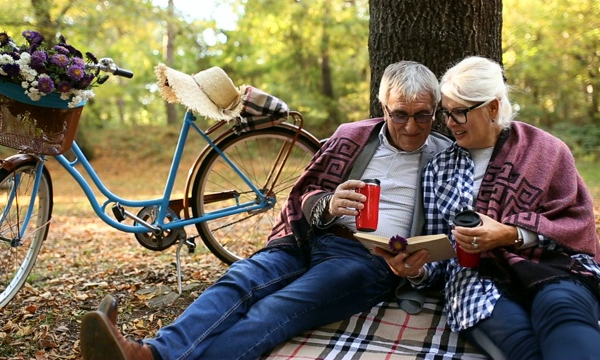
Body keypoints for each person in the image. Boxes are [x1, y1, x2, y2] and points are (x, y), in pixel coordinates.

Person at [79, 60, 452, 360]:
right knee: (240, 279)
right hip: (309, 240)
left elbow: (445, 237)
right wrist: (329, 204)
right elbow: (305, 194)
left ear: (436, 112)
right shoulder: (353, 135)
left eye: (423, 115)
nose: (411, 127)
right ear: (383, 106)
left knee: (274, 311)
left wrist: (416, 272)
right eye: (400, 114)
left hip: (367, 261)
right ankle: (152, 355)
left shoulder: (445, 159)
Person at [379, 56, 600, 359]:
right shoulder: (439, 169)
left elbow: (576, 224)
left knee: (565, 317)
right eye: (447, 113)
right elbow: (441, 253)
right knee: (523, 350)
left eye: (460, 113)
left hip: (553, 267)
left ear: (492, 108)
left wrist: (509, 234)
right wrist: (417, 270)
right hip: (477, 280)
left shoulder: (547, 151)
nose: (450, 123)